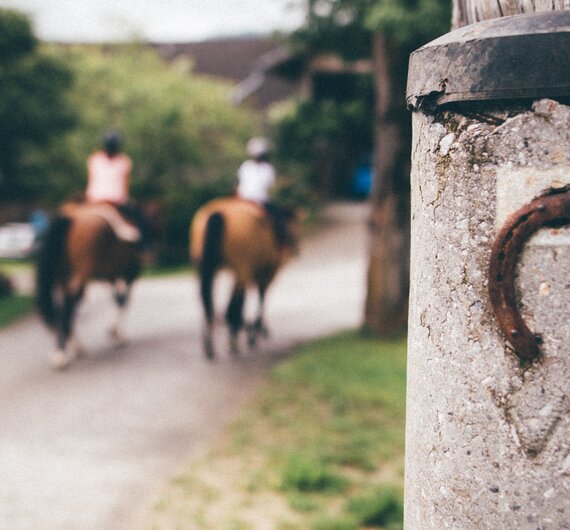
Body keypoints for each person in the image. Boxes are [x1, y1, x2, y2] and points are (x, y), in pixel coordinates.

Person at [85, 131, 149, 247]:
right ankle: (143, 248)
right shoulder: (124, 161)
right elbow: (124, 185)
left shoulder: (94, 159)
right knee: (140, 219)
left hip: (93, 201)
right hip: (115, 202)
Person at [236, 137, 293, 248]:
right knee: (279, 217)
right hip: (260, 201)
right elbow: (270, 187)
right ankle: (282, 242)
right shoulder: (268, 168)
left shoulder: (245, 166)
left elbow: (238, 184)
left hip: (242, 199)